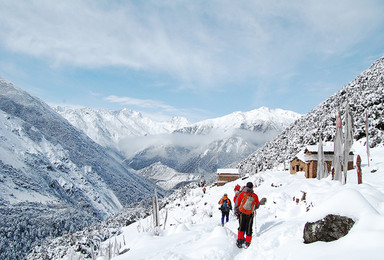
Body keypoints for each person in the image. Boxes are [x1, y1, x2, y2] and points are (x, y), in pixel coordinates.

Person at [235, 182, 259, 248]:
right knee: (249, 228)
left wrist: (237, 210)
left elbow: (237, 203)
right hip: (250, 214)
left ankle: (240, 241)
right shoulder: (255, 196)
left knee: (241, 227)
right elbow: (257, 206)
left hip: (242, 213)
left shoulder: (242, 194)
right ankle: (248, 243)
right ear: (252, 187)